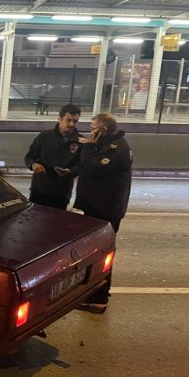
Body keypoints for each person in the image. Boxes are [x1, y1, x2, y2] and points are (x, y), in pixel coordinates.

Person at [74, 113, 133, 313]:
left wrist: (89, 148)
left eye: (93, 129)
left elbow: (95, 168)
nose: (90, 132)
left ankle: (99, 298)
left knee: (102, 255)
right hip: (97, 207)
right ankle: (92, 294)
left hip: (105, 210)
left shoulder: (117, 149)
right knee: (94, 255)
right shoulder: (109, 144)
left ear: (104, 130)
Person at [24, 103, 82, 210]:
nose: (72, 124)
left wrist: (70, 171)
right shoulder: (44, 137)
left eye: (75, 121)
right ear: (59, 118)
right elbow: (30, 156)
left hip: (61, 193)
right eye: (68, 120)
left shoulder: (80, 141)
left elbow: (81, 165)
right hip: (40, 190)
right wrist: (33, 164)